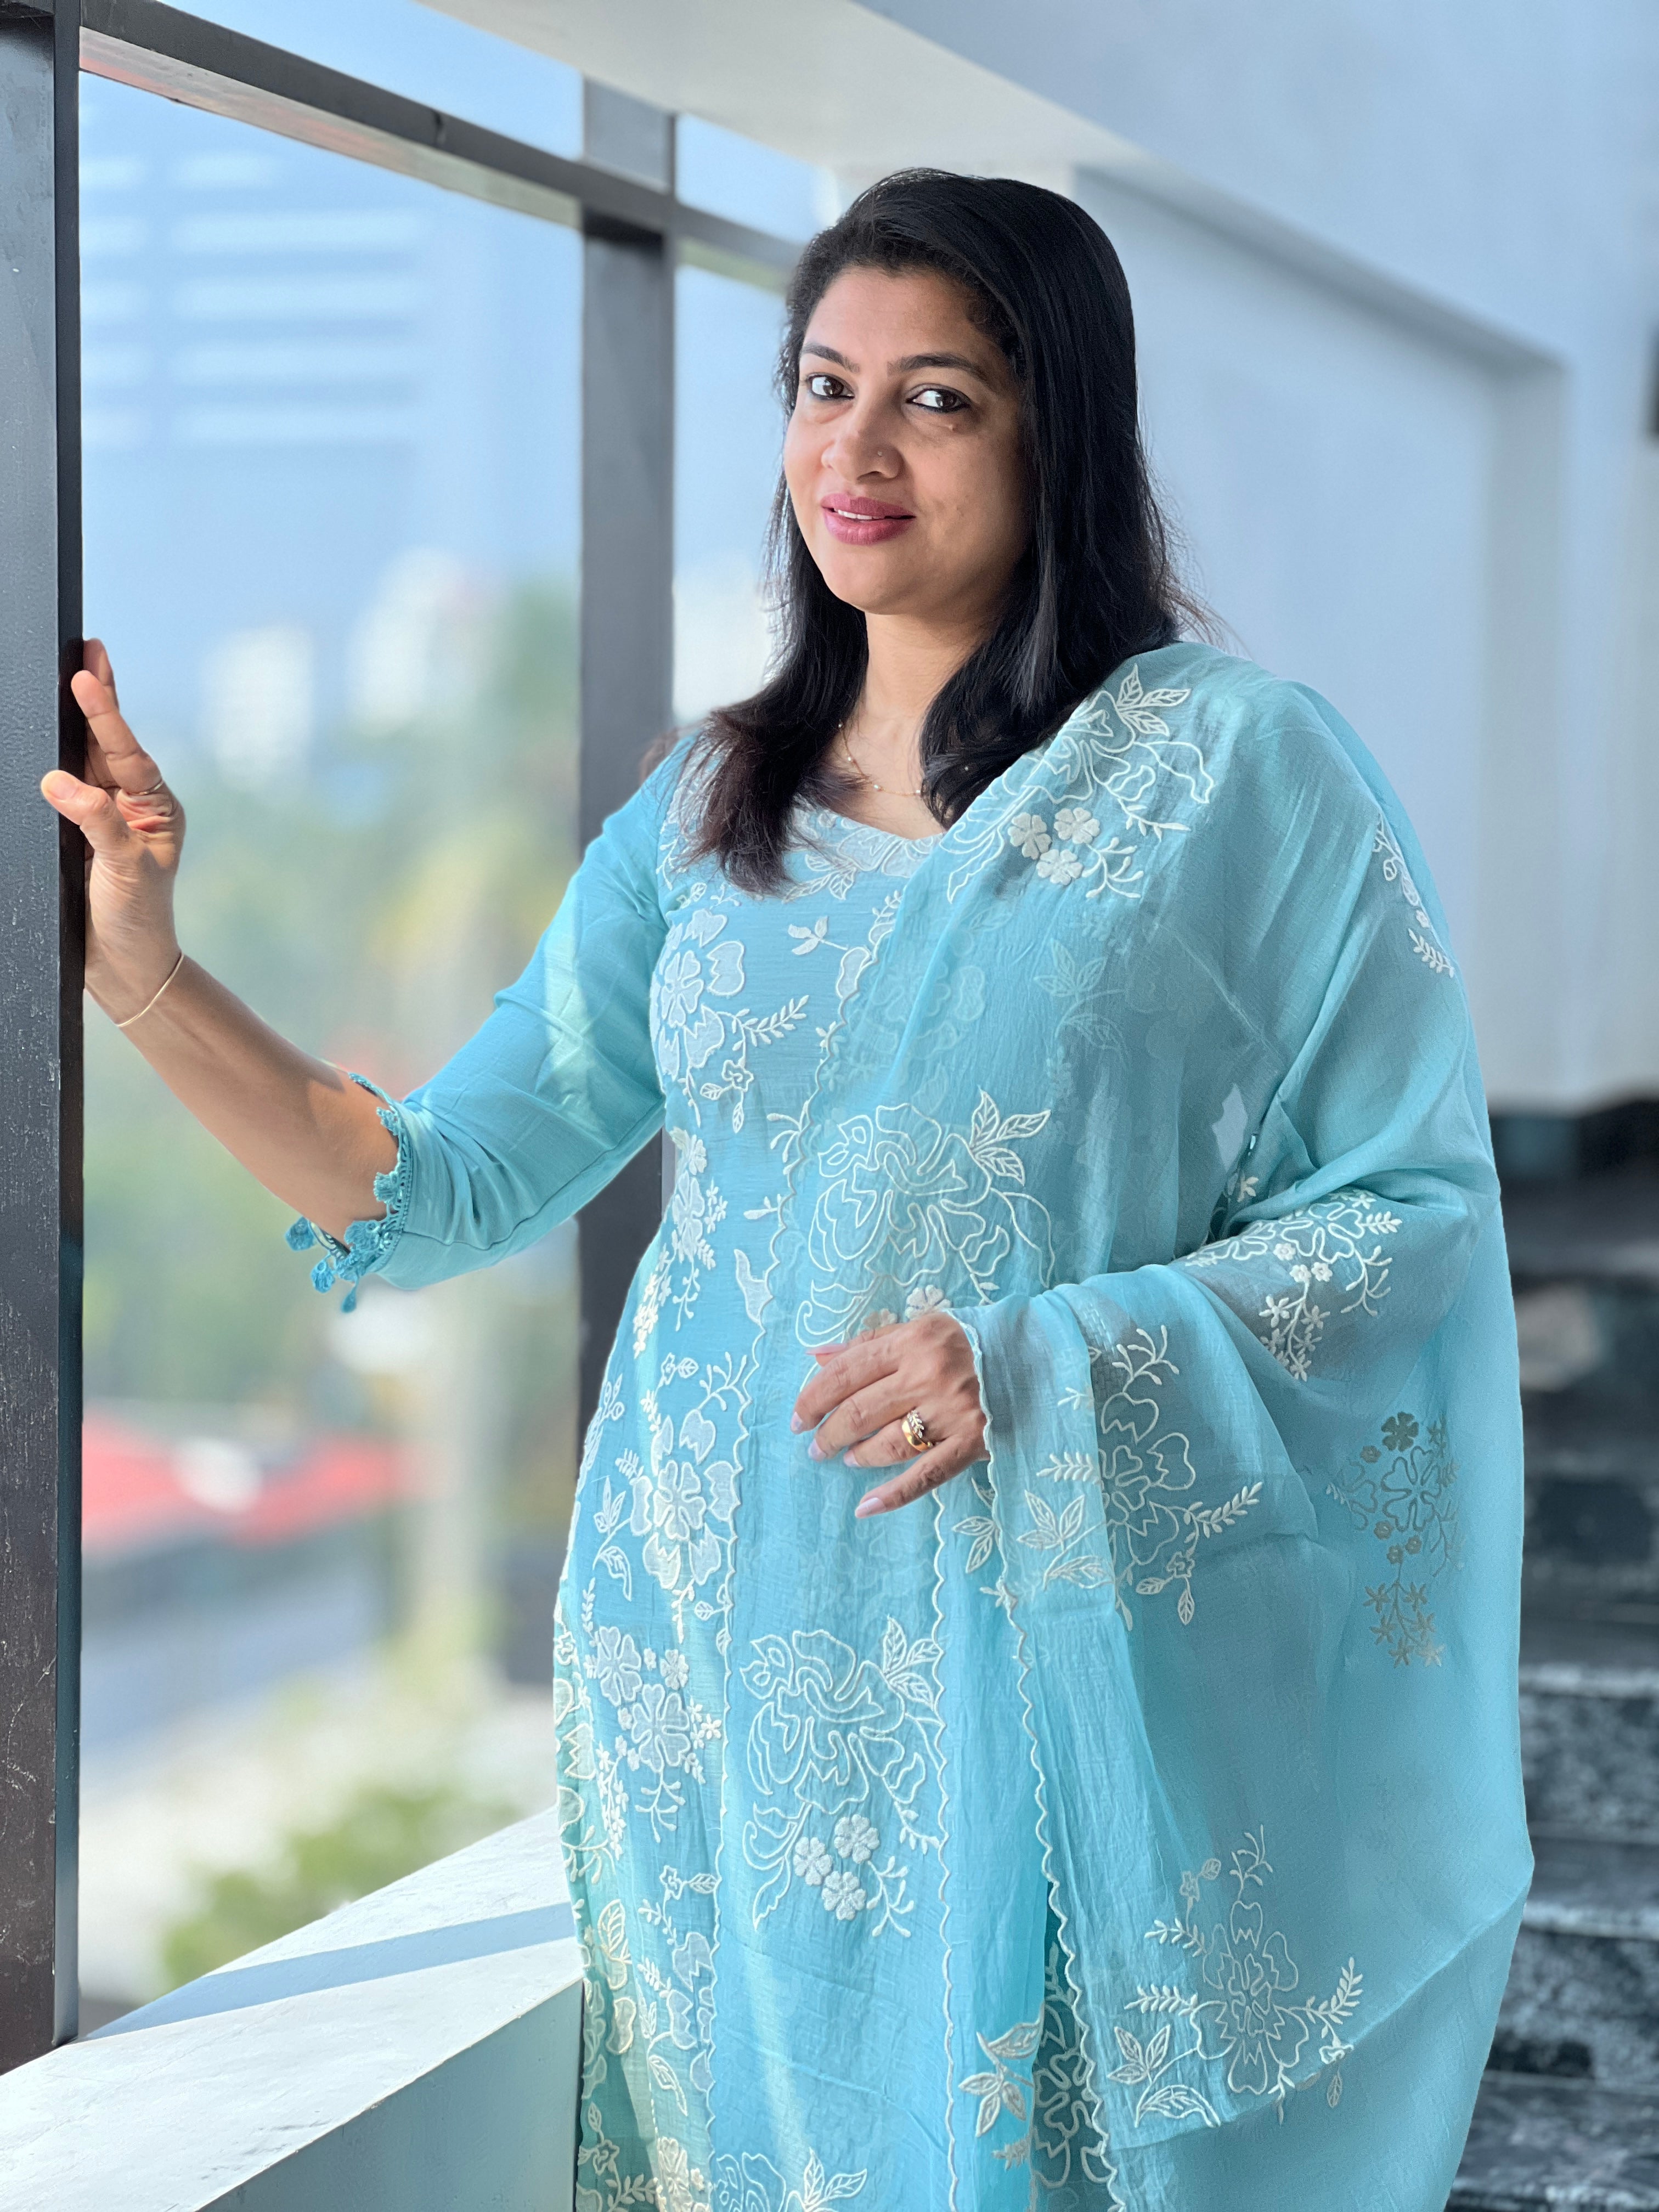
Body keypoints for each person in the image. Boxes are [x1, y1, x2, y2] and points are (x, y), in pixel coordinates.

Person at [44, 169, 1529, 2211]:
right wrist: (142, 969)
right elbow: (440, 1181)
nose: (857, 450)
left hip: (1043, 1655)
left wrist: (1051, 1361)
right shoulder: (705, 811)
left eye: (938, 397)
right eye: (824, 386)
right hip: (714, 1668)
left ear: (1061, 434)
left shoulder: (1234, 779)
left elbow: (1409, 1214)